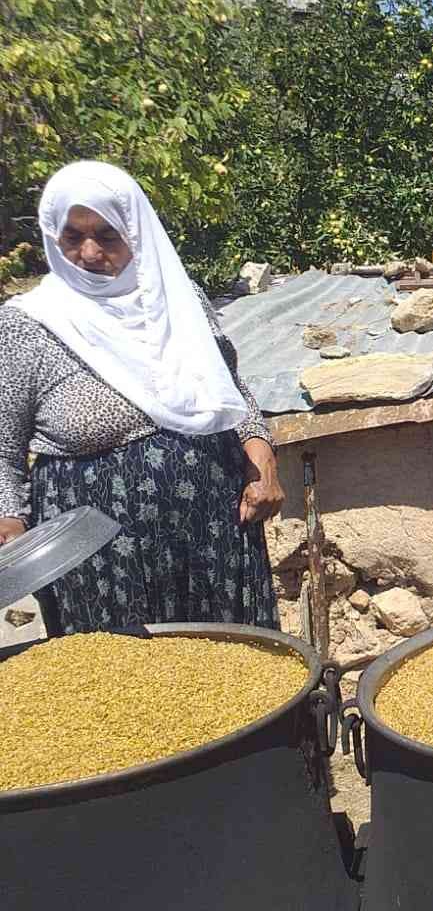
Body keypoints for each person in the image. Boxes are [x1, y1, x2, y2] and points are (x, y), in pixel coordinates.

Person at [0, 161, 284, 634]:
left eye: (108, 237)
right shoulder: (27, 324)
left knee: (229, 670)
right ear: (53, 235)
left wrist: (262, 454)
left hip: (212, 528)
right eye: (72, 237)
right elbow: (1, 448)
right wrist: (9, 520)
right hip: (96, 550)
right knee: (122, 683)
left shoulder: (178, 299)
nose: (89, 253)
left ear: (137, 232)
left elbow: (229, 387)